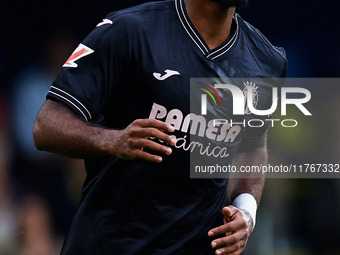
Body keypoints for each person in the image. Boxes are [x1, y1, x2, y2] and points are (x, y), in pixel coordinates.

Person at [33, 0, 287, 254]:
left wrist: (247, 210)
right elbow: (46, 125)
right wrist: (112, 140)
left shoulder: (266, 62)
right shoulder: (128, 30)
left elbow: (251, 145)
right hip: (109, 244)